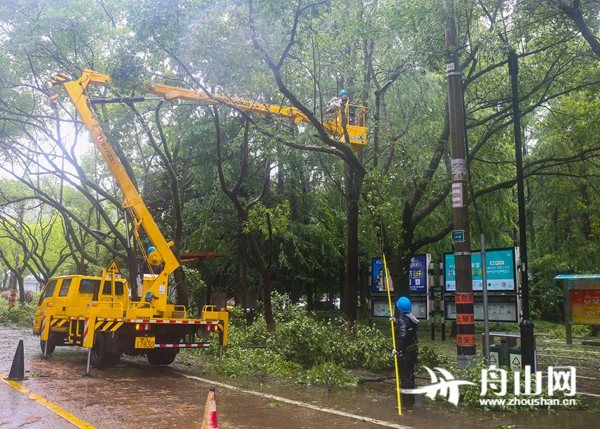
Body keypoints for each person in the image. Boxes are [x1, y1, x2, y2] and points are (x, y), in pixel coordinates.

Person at [395, 296, 419, 412]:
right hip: (413, 351)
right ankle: (410, 401)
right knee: (410, 375)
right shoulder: (412, 318)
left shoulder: (402, 320)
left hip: (405, 354)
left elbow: (403, 336)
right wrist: (396, 321)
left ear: (399, 308)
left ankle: (406, 403)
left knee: (405, 378)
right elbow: (408, 328)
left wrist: (397, 349)